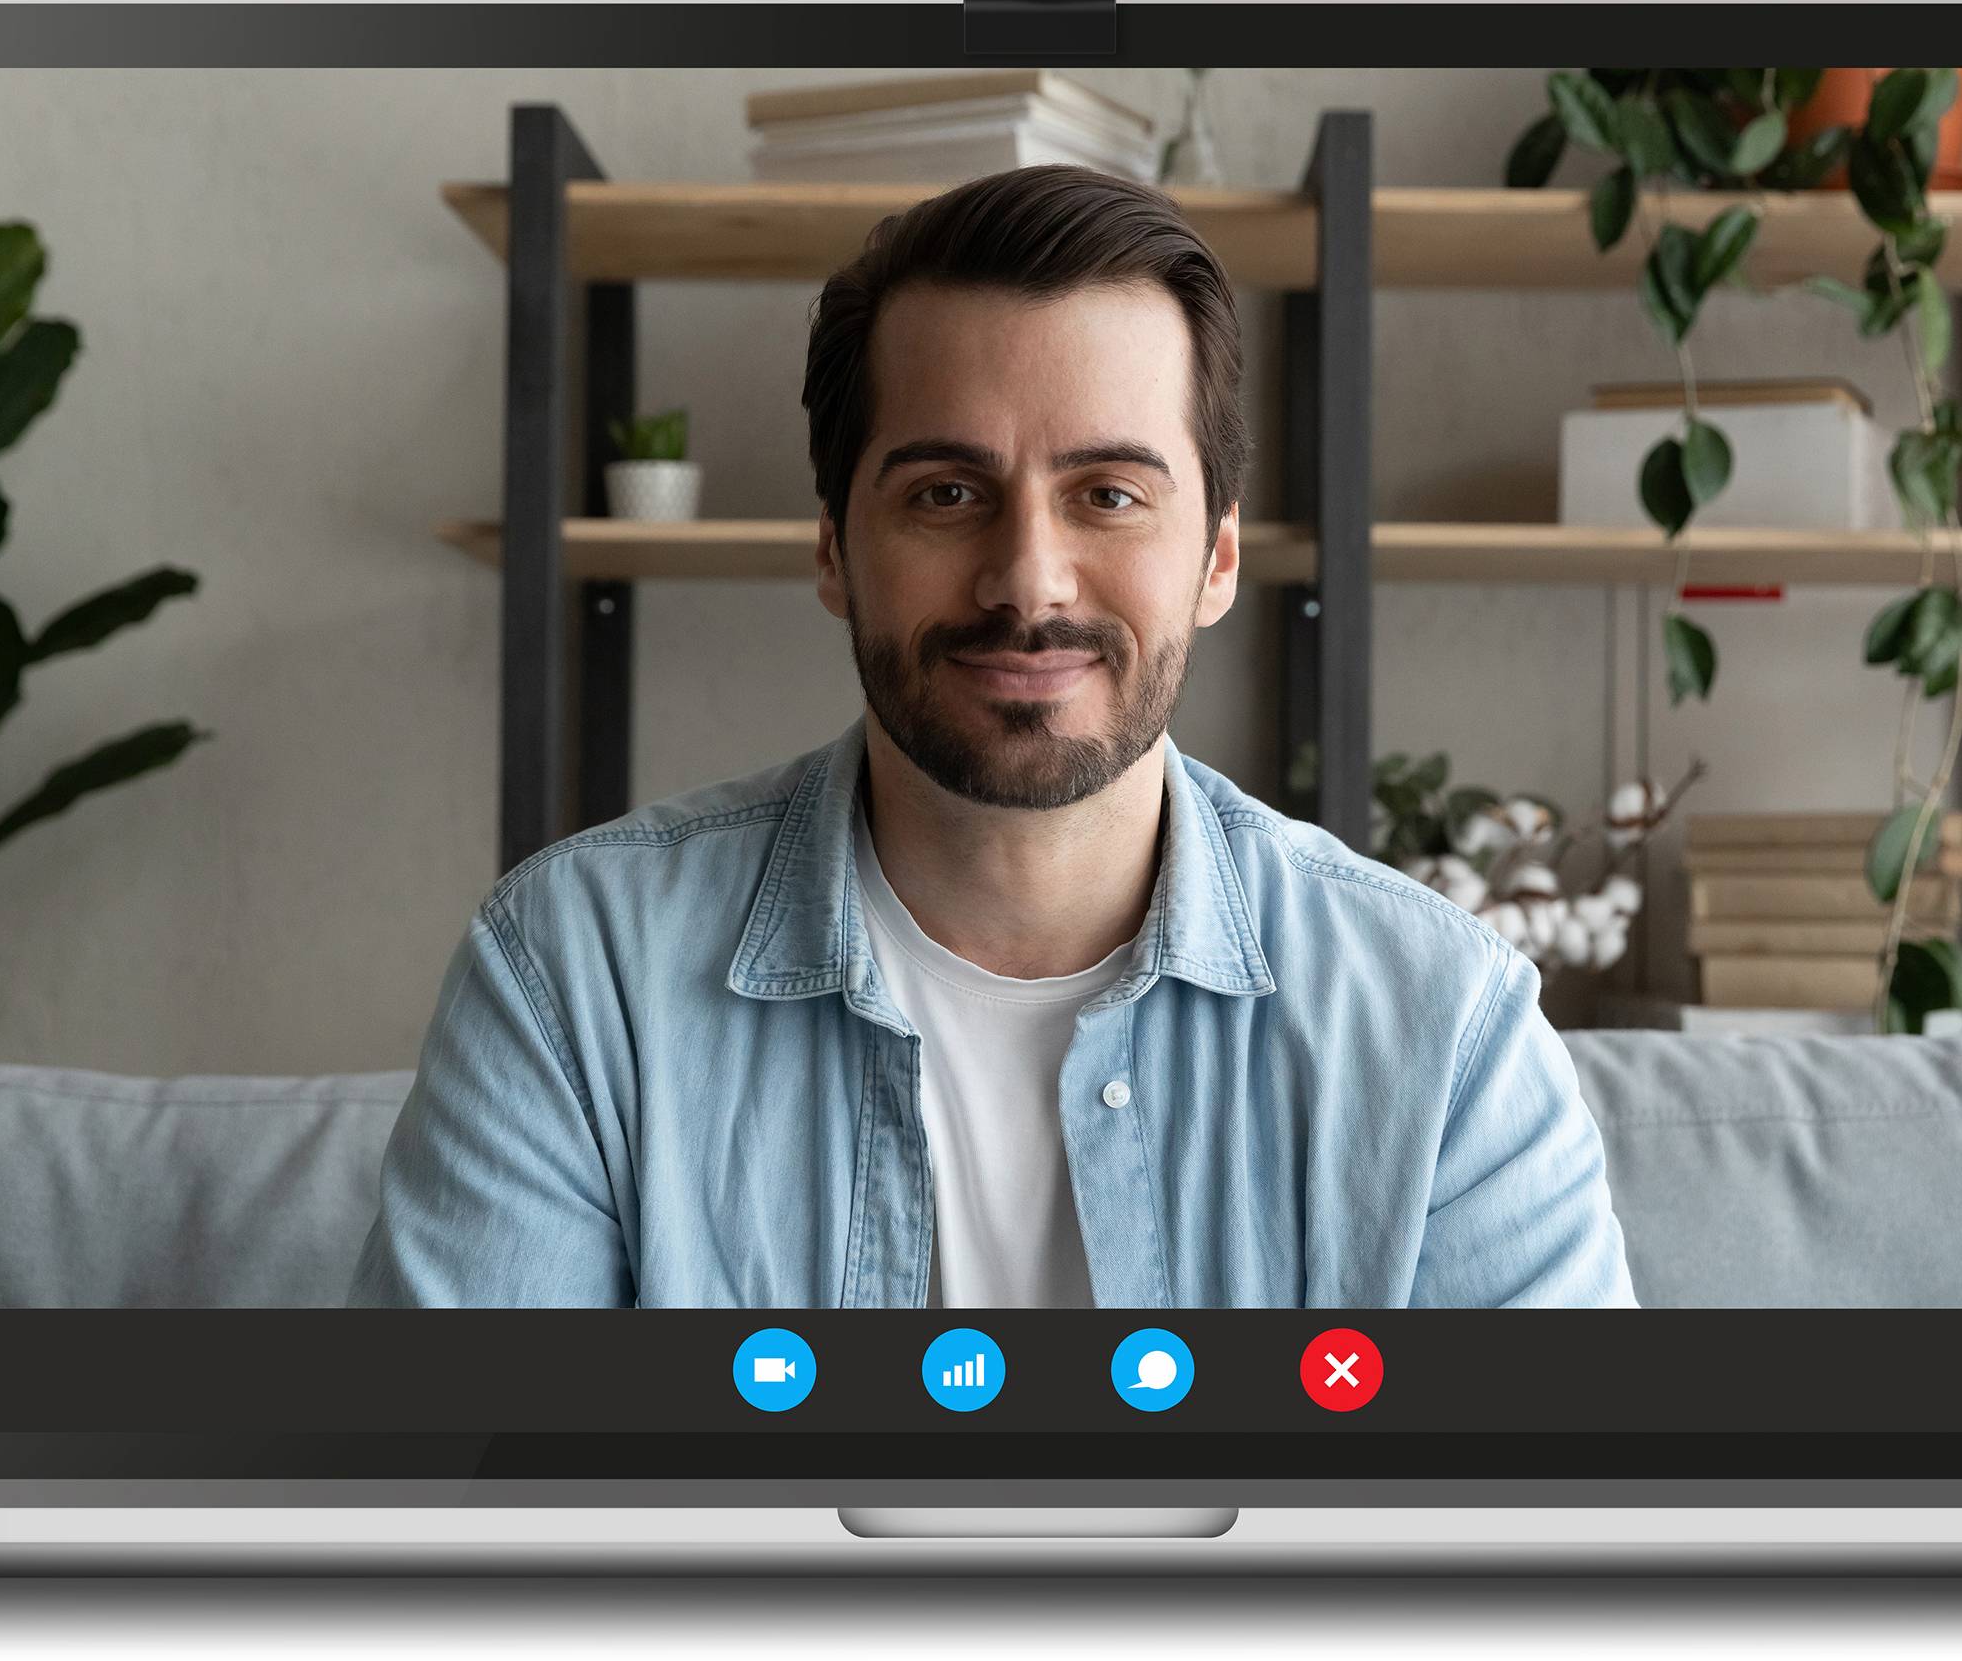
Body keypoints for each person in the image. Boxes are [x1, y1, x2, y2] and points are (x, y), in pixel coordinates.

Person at [348, 163, 1634, 1310]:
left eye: (1109, 495)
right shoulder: (574, 981)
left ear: (1220, 556)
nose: (1030, 581)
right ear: (833, 549)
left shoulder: (1440, 1023)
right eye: (947, 493)